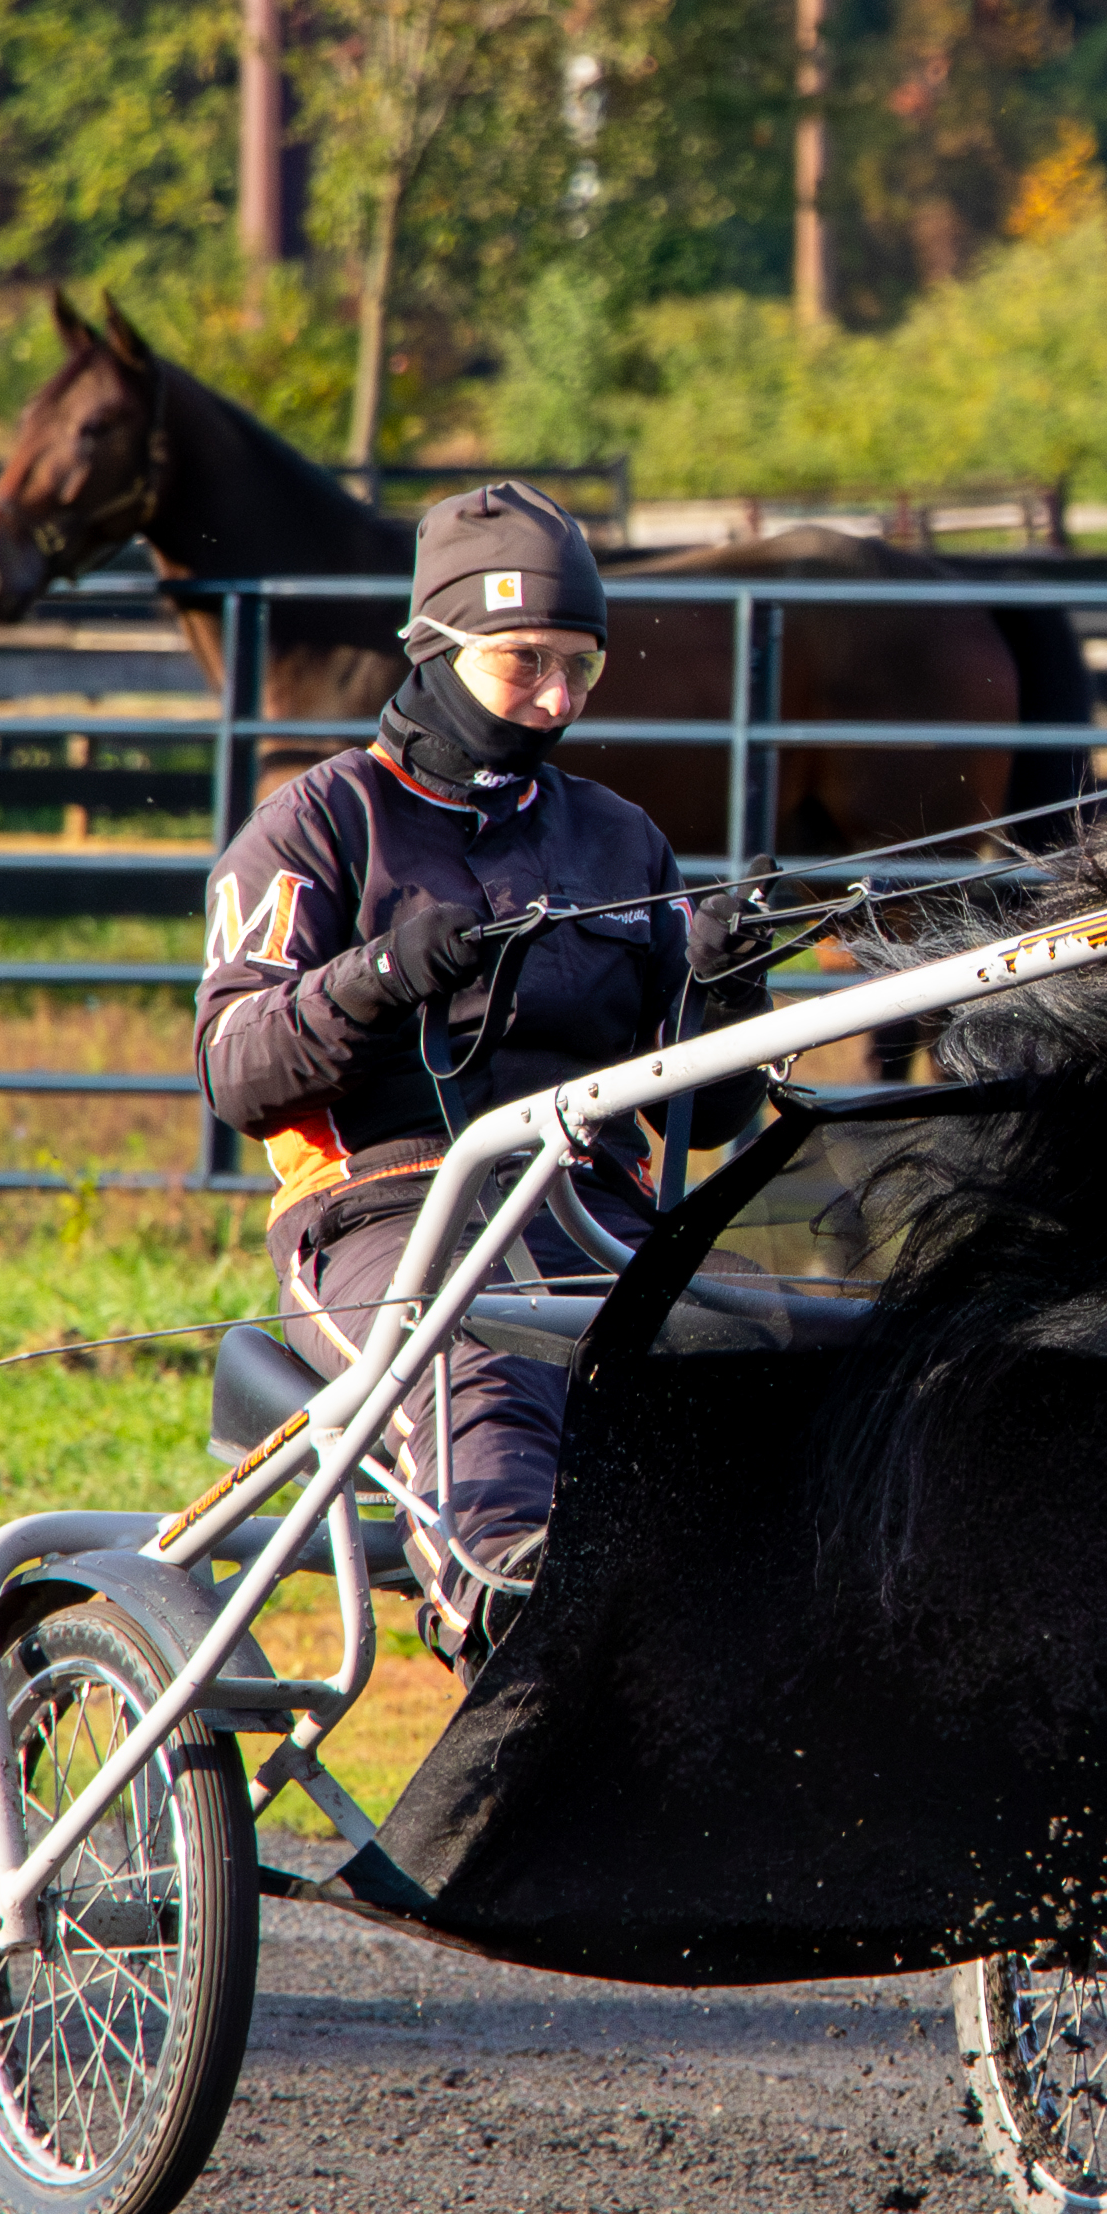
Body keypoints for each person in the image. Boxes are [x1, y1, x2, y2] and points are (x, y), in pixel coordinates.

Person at [195, 483, 750, 1664]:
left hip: (594, 1217)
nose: (557, 700)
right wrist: (376, 976)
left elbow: (716, 1112)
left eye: (582, 667)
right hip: (388, 1218)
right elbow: (234, 1071)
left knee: (769, 1379)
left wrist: (729, 993)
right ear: (438, 645)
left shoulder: (620, 837)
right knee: (486, 1371)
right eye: (525, 663)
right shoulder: (315, 826)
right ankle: (518, 1655)